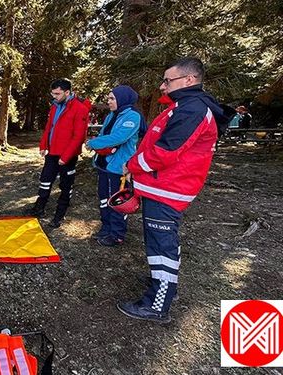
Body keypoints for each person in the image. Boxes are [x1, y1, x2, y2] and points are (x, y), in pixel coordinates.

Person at [117, 57, 227, 323]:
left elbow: (165, 152)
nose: (162, 86)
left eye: (168, 80)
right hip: (161, 186)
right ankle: (166, 287)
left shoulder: (192, 110)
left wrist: (132, 164)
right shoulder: (183, 106)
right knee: (162, 243)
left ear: (189, 80)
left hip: (167, 188)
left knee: (161, 246)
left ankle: (157, 304)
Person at [25, 78, 91, 228]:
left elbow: (78, 136)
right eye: (53, 93)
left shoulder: (80, 109)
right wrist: (43, 145)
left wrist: (66, 157)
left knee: (66, 186)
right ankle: (39, 208)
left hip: (68, 156)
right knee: (45, 180)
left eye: (57, 93)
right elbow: (49, 126)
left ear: (67, 92)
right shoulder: (55, 106)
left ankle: (59, 216)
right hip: (52, 153)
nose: (54, 96)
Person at [85, 85, 144, 246]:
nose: (109, 101)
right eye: (109, 98)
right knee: (104, 198)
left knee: (117, 201)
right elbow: (105, 134)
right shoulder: (112, 115)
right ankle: (106, 228)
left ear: (122, 99)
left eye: (112, 98)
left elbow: (118, 137)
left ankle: (117, 234)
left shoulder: (132, 117)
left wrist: (93, 143)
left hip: (119, 167)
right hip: (104, 164)